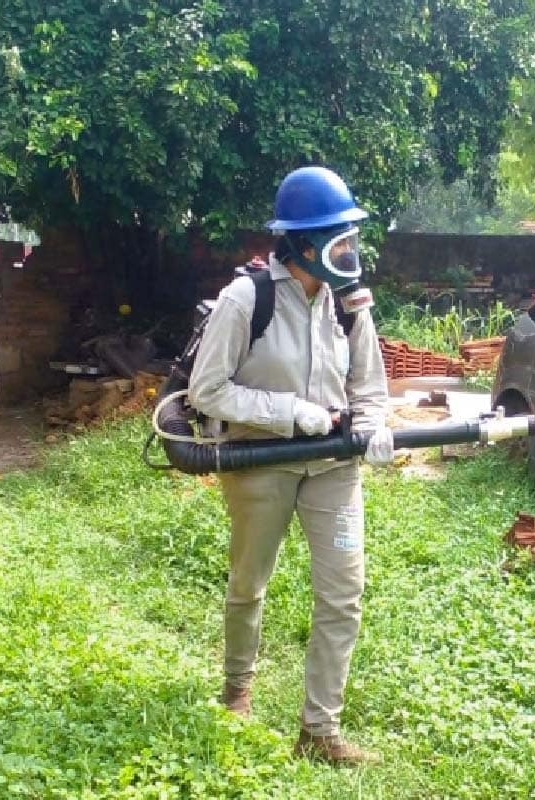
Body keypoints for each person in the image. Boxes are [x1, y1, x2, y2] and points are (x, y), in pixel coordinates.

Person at [188, 166, 393, 767]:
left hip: (332, 467)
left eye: (353, 239)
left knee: (343, 593)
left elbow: (370, 385)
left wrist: (373, 423)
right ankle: (237, 691)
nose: (351, 252)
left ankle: (320, 730)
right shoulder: (245, 300)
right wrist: (288, 412)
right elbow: (207, 390)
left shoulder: (351, 305)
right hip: (263, 461)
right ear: (305, 245)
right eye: (340, 240)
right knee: (250, 581)